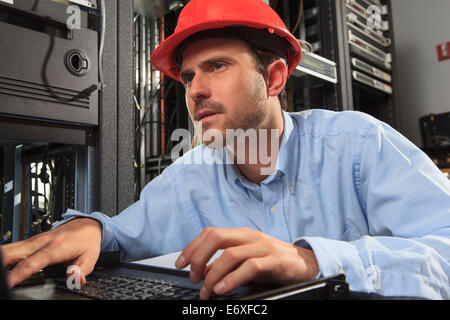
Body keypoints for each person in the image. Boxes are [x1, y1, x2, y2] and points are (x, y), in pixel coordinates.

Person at [2, 0, 449, 300]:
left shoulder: (357, 146)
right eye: (188, 76)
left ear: (274, 79)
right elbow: (119, 231)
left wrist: (314, 262)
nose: (195, 91)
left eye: (217, 66)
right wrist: (91, 229)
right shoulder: (189, 176)